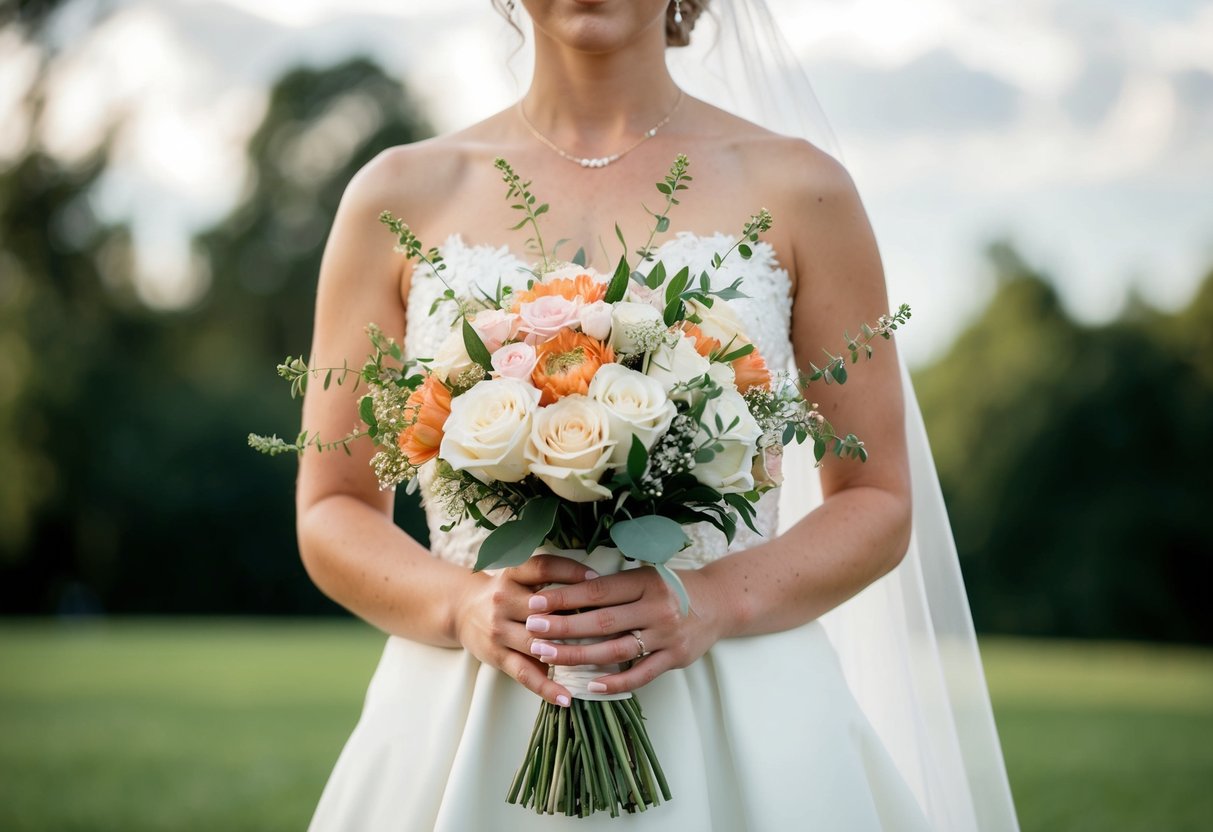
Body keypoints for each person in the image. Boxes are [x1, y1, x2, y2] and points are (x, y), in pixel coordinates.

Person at [296, 1, 1020, 829]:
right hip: (471, 717)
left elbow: (878, 499)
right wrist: (459, 607)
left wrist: (713, 600)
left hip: (742, 714)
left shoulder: (798, 188)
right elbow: (333, 507)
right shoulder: (398, 196)